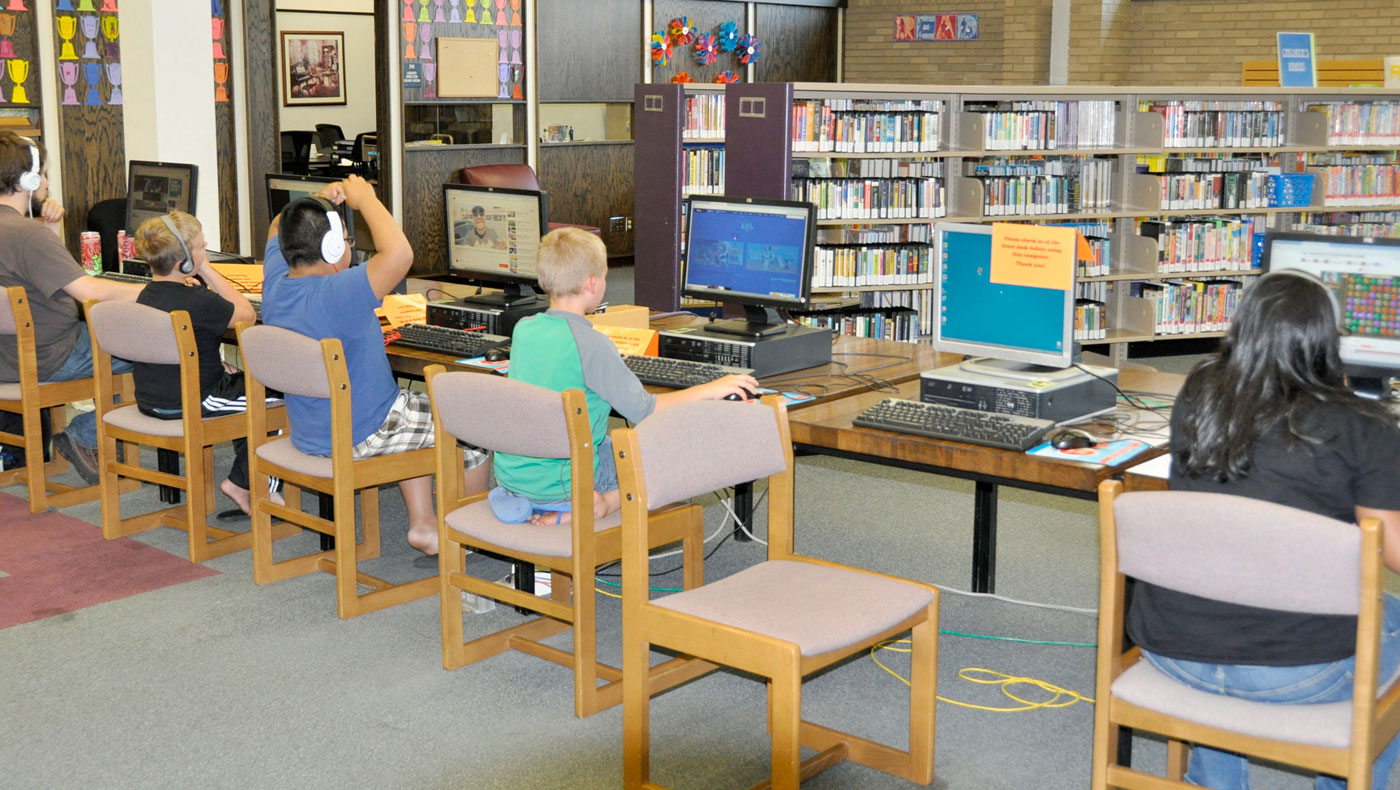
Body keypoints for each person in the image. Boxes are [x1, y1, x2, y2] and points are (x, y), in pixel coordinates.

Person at [1127, 270, 1400, 790]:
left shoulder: (1198, 394)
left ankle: (1216, 781)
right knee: (1390, 615)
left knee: (1227, 585)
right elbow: (1392, 552)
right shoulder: (1365, 427)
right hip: (1301, 671)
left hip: (1173, 650)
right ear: (1327, 340)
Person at [260, 174, 487, 557]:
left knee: (413, 407)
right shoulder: (340, 290)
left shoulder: (275, 281)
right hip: (363, 431)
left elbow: (278, 225)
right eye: (347, 241)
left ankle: (423, 524)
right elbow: (399, 255)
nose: (350, 246)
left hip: (312, 431)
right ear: (333, 249)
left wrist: (320, 200)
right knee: (472, 424)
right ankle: (469, 533)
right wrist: (365, 200)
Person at [489, 227, 759, 526]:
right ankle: (602, 504)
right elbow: (646, 411)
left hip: (515, 476)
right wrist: (713, 388)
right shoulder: (591, 344)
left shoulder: (524, 329)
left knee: (610, 442)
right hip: (565, 481)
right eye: (605, 276)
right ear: (593, 283)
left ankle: (552, 506)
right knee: (669, 452)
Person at [0, 130, 142, 484]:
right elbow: (88, 289)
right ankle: (85, 436)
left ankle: (108, 446)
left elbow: (42, 276)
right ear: (27, 181)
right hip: (51, 356)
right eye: (44, 174)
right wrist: (155, 291)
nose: (47, 182)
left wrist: (52, 229)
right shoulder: (25, 235)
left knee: (114, 338)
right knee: (160, 349)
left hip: (6, 357)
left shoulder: (26, 233)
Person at [129, 210, 281, 515]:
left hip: (152, 398)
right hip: (194, 400)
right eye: (200, 247)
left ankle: (242, 477)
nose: (206, 248)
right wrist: (208, 271)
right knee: (280, 398)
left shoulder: (146, 296)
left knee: (242, 388)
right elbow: (247, 314)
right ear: (182, 262)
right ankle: (252, 487)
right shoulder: (199, 301)